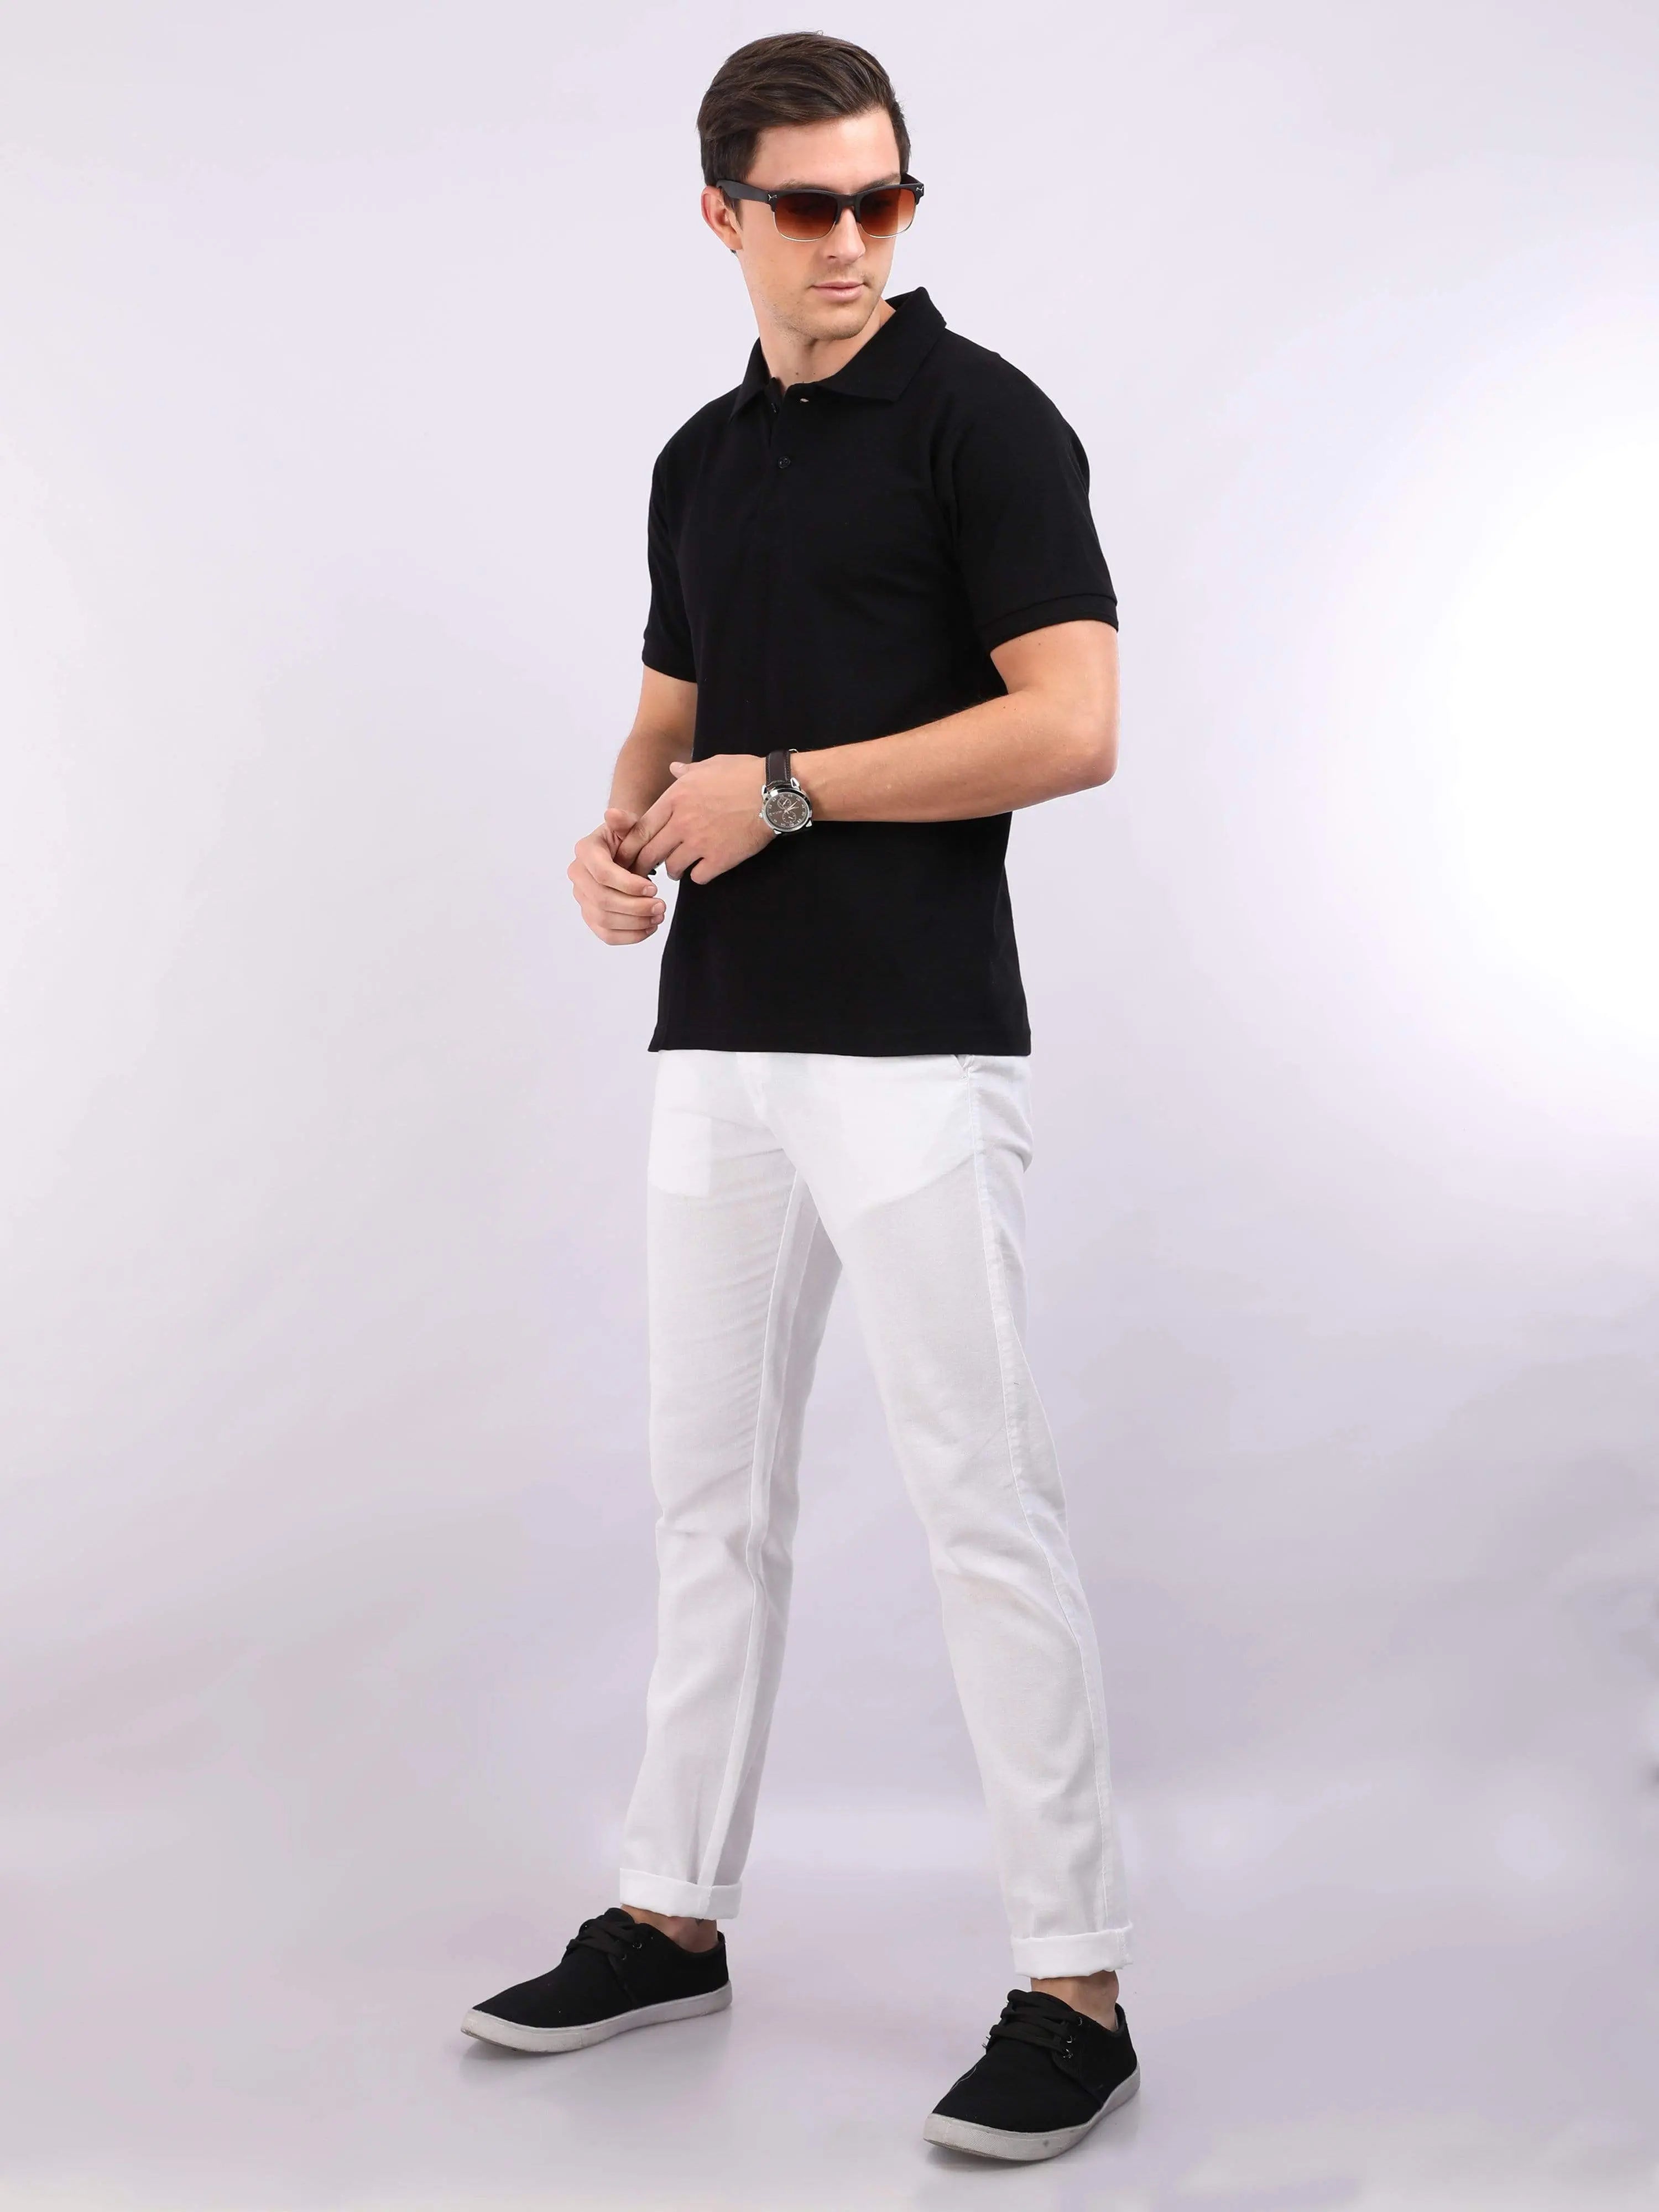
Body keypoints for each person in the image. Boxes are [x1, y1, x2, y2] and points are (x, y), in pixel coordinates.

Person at [462, 31, 1139, 2164]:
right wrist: (617, 836)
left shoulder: (984, 420)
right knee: (708, 1504)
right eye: (812, 205)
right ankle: (672, 1915)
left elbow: (1075, 724)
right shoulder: (702, 455)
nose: (855, 242)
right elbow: (668, 716)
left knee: (980, 1503)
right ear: (723, 216)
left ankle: (1077, 1990)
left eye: (886, 200)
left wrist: (788, 792)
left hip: (916, 1041)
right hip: (724, 1044)